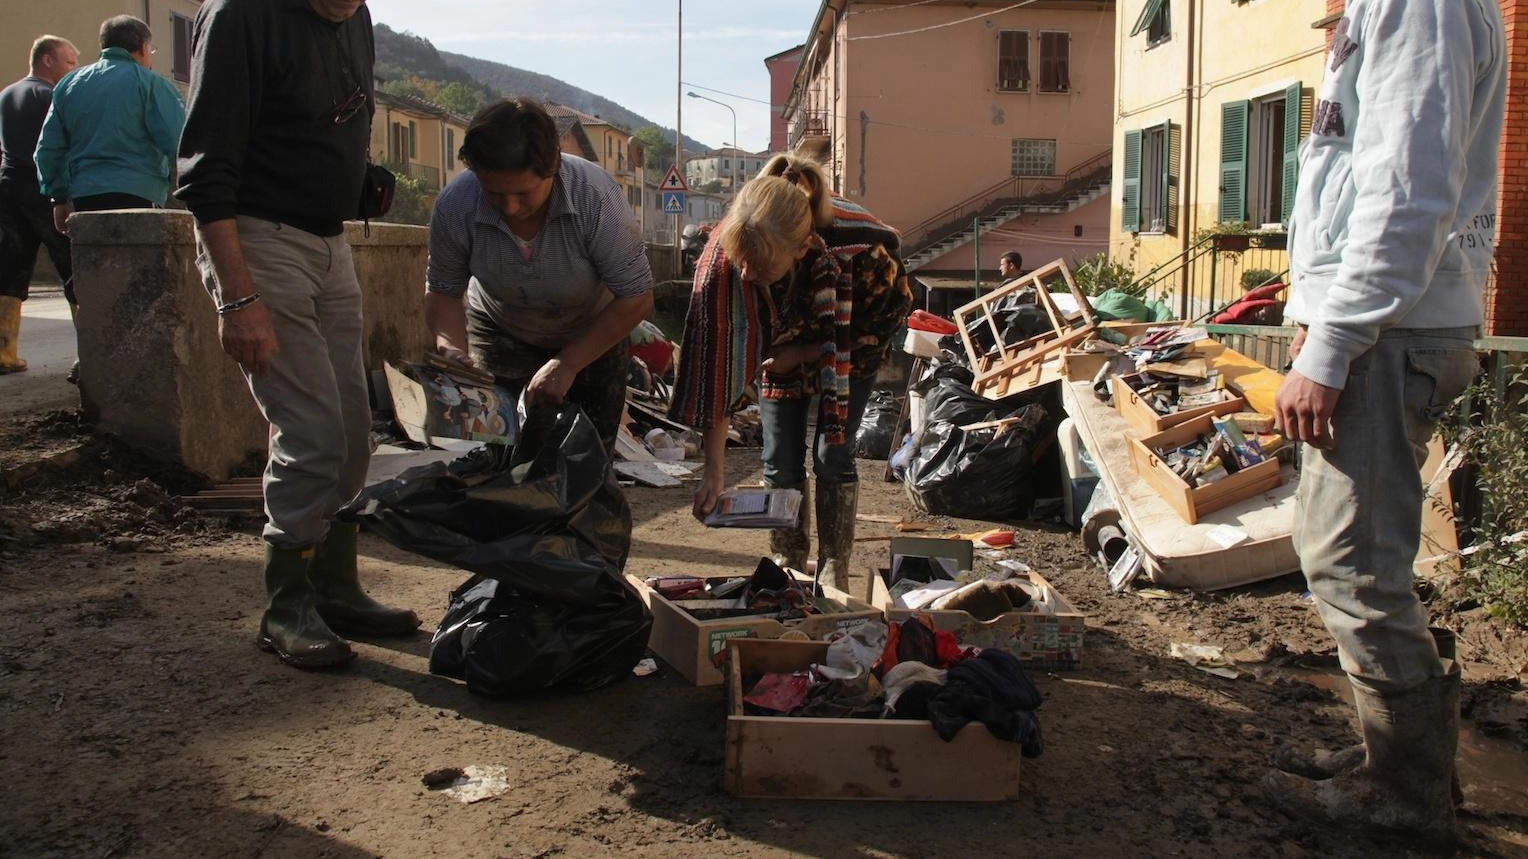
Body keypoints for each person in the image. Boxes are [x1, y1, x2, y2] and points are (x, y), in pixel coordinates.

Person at [1265, 0, 1505, 842]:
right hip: (1386, 327)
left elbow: (1407, 189)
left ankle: (1406, 792)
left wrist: (1332, 343)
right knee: (1353, 558)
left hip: (1387, 335)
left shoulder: (1420, 5)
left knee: (1354, 569)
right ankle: (1401, 761)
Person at [176, 0, 419, 670]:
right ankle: (285, 604)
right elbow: (204, 174)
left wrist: (358, 177)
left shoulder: (357, 17)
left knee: (350, 431)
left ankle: (334, 586)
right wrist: (238, 295)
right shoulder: (241, 15)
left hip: (328, 240)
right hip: (256, 237)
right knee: (310, 429)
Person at [671, 154, 911, 591]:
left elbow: (881, 326)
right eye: (741, 263)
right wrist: (714, 473)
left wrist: (802, 355)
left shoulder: (866, 255)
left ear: (802, 250)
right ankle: (790, 563)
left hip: (849, 348)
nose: (747, 274)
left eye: (760, 270)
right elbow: (717, 368)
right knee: (780, 457)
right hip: (779, 352)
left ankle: (836, 563)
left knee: (830, 453)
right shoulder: (725, 261)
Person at [424, 97, 655, 451]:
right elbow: (443, 291)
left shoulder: (596, 197)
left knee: (584, 459)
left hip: (592, 332)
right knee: (496, 454)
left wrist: (568, 363)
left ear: (553, 168)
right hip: (499, 330)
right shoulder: (456, 204)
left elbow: (636, 296)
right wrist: (452, 348)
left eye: (522, 193)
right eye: (494, 193)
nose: (510, 207)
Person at [35, 16, 185, 230]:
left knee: (93, 262)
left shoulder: (69, 84)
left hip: (85, 196)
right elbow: (178, 143)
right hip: (140, 194)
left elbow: (48, 148)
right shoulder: (152, 84)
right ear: (143, 47)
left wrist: (58, 198)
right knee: (139, 262)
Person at [0, 35, 78, 374]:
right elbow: (61, 145)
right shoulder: (51, 95)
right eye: (70, 62)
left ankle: (3, 353)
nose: (74, 69)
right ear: (47, 60)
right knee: (72, 265)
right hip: (43, 187)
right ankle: (92, 351)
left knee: (9, 267)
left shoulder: (6, 94)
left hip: (8, 185)